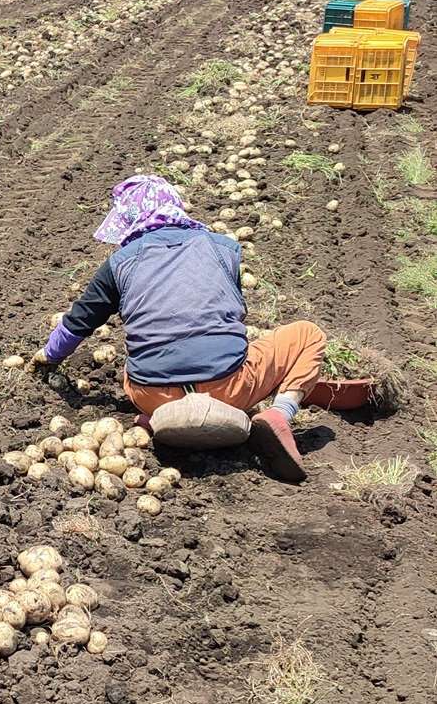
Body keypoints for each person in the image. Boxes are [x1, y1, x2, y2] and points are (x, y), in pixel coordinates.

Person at [31, 173, 326, 483]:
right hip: (230, 389)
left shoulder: (119, 264)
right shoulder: (223, 247)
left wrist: (47, 358)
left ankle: (160, 418)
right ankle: (279, 413)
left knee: (134, 360)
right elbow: (235, 316)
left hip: (152, 393)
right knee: (308, 334)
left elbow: (79, 322)